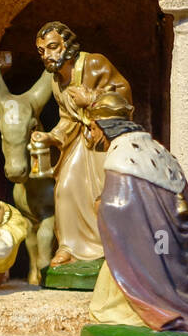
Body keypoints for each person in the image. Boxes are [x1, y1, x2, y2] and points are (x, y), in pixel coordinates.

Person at [86, 96, 188, 334]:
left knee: (107, 304)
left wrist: (102, 206)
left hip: (146, 251)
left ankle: (144, 309)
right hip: (172, 248)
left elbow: (119, 207)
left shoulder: (121, 157)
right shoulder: (154, 147)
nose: (89, 135)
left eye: (91, 128)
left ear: (103, 127)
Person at [32, 22, 132, 267]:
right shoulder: (56, 80)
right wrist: (50, 137)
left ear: (67, 45)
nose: (48, 55)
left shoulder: (93, 63)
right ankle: (69, 247)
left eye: (53, 47)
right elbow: (67, 119)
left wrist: (92, 98)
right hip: (79, 139)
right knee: (65, 188)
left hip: (106, 138)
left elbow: (124, 94)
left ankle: (112, 248)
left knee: (106, 192)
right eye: (42, 51)